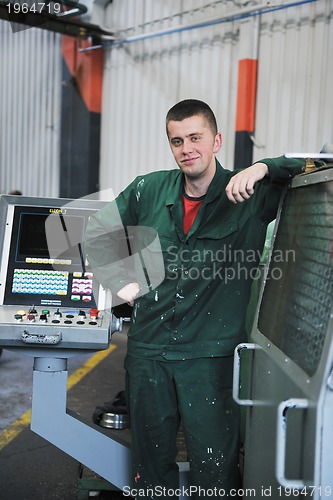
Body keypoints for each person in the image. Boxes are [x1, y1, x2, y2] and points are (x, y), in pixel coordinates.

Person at [84, 99, 305, 499]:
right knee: (150, 466)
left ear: (216, 140)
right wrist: (124, 285)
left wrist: (261, 167)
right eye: (177, 140)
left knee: (214, 466)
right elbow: (96, 232)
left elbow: (309, 168)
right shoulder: (149, 189)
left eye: (196, 137)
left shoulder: (251, 193)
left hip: (210, 358)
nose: (187, 148)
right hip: (148, 351)